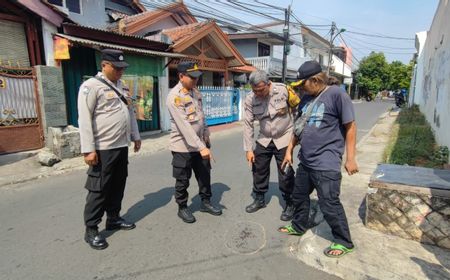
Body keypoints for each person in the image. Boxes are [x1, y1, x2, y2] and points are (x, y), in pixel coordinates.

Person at [279, 60, 358, 258]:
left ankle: (343, 241)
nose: (300, 89)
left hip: (326, 162)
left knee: (329, 203)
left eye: (302, 84)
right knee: (298, 196)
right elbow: (299, 128)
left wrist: (351, 158)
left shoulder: (337, 95)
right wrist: (289, 150)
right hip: (306, 161)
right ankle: (298, 225)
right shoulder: (306, 98)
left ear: (314, 80)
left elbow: (350, 126)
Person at [78, 49, 141, 250]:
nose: (120, 72)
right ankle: (91, 229)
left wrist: (136, 135)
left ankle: (113, 218)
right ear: (104, 65)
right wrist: (88, 149)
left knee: (118, 185)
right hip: (102, 148)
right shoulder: (90, 86)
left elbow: (130, 111)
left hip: (121, 146)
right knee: (99, 189)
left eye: (123, 68)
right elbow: (84, 119)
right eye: (117, 68)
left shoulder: (122, 87)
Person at [167, 61, 222, 223]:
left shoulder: (195, 93)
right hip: (182, 146)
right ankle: (182, 207)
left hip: (200, 144)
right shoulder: (175, 97)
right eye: (192, 78)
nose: (195, 81)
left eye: (197, 77)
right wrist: (200, 146)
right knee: (182, 178)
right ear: (181, 76)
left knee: (205, 174)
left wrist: (206, 136)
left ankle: (205, 202)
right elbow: (184, 126)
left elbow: (201, 117)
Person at [243, 70, 300, 221]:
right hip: (265, 138)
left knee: (285, 171)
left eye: (261, 90)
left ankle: (290, 202)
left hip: (284, 137)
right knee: (258, 169)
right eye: (255, 90)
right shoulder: (250, 99)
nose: (258, 93)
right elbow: (248, 124)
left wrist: (295, 138)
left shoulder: (283, 90)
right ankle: (259, 198)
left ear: (268, 84)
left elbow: (296, 112)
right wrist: (248, 149)